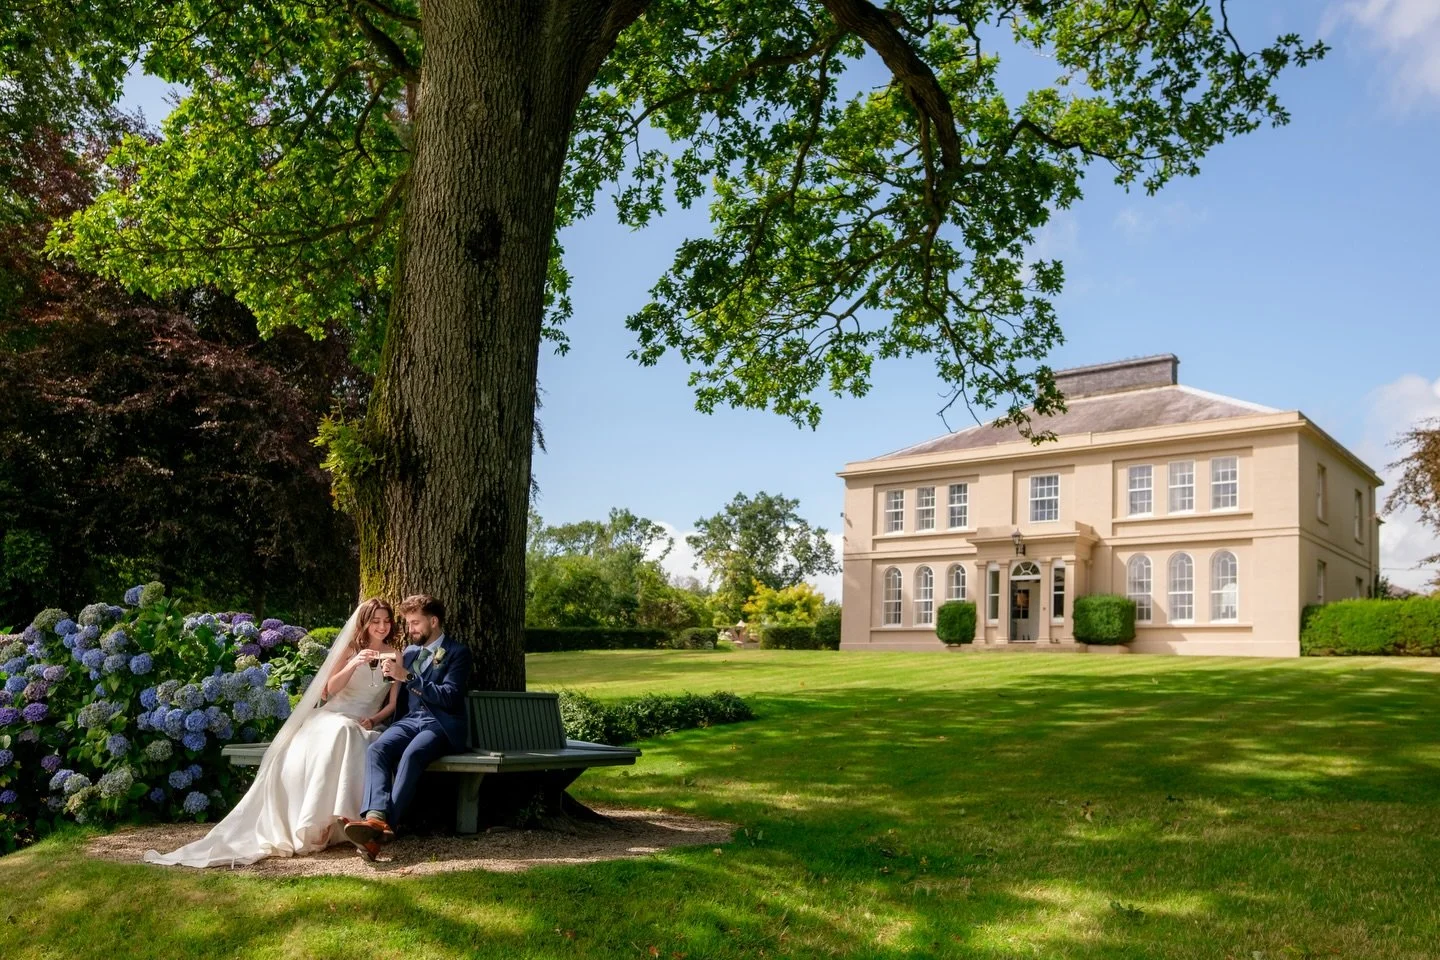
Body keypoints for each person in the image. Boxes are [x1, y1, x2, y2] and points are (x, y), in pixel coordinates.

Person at [143, 598, 403, 867]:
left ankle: (355, 825)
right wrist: (354, 664)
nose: (382, 626)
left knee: (357, 736)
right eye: (376, 621)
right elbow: (329, 690)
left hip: (367, 720)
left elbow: (392, 703)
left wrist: (372, 720)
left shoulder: (395, 654)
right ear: (365, 623)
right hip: (334, 715)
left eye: (386, 621)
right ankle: (319, 823)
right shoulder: (351, 649)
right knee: (343, 732)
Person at [341, 593, 471, 859]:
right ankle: (376, 817)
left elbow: (449, 696)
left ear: (433, 621)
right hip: (409, 721)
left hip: (440, 725)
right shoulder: (410, 653)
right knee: (377, 749)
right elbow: (394, 696)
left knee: (412, 755)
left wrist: (409, 676)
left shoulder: (458, 653)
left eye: (415, 623)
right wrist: (377, 718)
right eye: (408, 623)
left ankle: (380, 827)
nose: (409, 629)